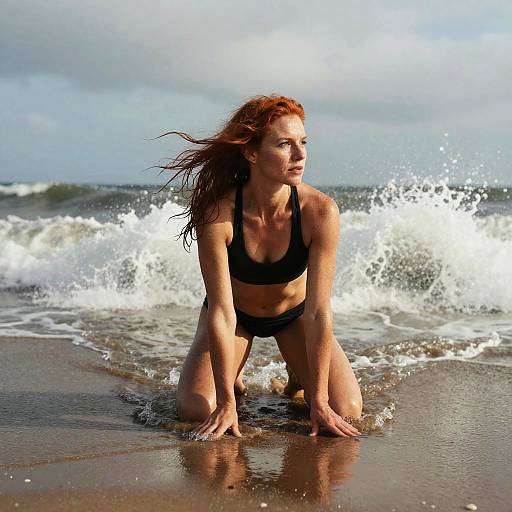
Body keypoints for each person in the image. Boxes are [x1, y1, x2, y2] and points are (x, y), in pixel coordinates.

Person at [160, 95, 362, 439]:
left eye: (303, 142)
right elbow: (222, 313)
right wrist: (226, 402)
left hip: (294, 317)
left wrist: (320, 400)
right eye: (284, 144)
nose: (300, 155)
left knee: (346, 411)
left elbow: (317, 313)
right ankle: (233, 374)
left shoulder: (320, 212)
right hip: (235, 319)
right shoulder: (218, 214)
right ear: (251, 152)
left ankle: (298, 373)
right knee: (197, 410)